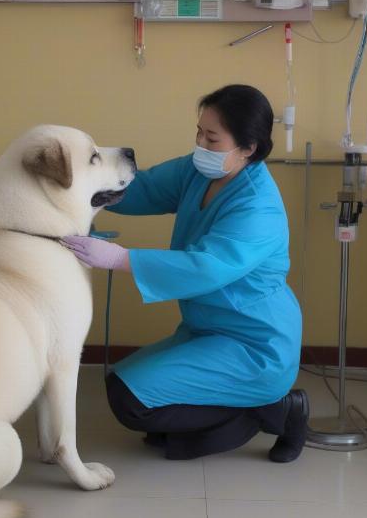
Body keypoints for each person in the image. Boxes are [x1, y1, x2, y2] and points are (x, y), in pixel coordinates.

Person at [62, 84, 308, 463]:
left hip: (254, 343)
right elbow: (141, 187)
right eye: (199, 132)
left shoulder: (259, 209)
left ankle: (277, 409)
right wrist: (85, 186)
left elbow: (206, 266)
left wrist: (120, 258)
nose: (200, 144)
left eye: (212, 137)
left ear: (248, 148)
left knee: (131, 402)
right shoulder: (199, 171)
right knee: (120, 386)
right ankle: (210, 424)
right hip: (207, 328)